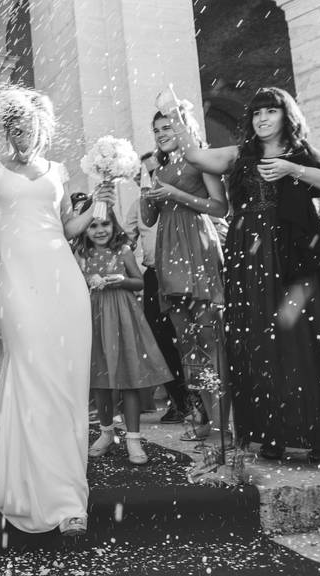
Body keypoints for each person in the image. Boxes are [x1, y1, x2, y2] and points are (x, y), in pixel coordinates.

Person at [159, 85, 320, 463]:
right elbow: (195, 155)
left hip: (295, 257)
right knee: (260, 341)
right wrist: (174, 111)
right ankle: (271, 432)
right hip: (251, 259)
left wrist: (293, 169)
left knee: (304, 342)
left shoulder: (301, 153)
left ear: (286, 116)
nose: (262, 119)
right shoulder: (242, 155)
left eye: (270, 112)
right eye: (256, 113)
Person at [0, 86, 112, 535]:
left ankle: (66, 494)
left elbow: (66, 227)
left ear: (41, 128)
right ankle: (35, 487)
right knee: (30, 366)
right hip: (14, 282)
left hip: (62, 279)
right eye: (13, 127)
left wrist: (99, 201)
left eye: (27, 127)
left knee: (63, 377)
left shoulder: (57, 172)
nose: (20, 134)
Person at [140, 110, 230, 448]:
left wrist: (176, 195)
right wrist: (146, 187)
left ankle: (225, 425)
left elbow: (220, 207)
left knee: (211, 341)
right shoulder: (159, 170)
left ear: (184, 128)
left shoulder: (201, 163)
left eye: (167, 127)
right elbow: (148, 218)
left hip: (196, 247)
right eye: (157, 130)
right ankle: (206, 416)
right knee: (188, 345)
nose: (161, 134)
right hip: (168, 254)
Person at [76, 211, 172, 465]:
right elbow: (75, 282)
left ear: (114, 225)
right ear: (84, 229)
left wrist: (121, 280)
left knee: (129, 377)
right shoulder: (82, 255)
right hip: (93, 317)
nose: (99, 230)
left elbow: (139, 282)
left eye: (105, 224)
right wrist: (88, 279)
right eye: (93, 225)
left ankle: (133, 438)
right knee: (100, 380)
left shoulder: (124, 251)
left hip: (122, 317)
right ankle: (106, 433)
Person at [124, 152, 190, 425]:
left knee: (186, 337)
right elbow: (124, 240)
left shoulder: (178, 197)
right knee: (161, 340)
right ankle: (181, 401)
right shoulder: (137, 205)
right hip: (153, 276)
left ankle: (204, 401)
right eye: (146, 173)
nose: (152, 177)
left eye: (155, 171)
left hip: (182, 272)